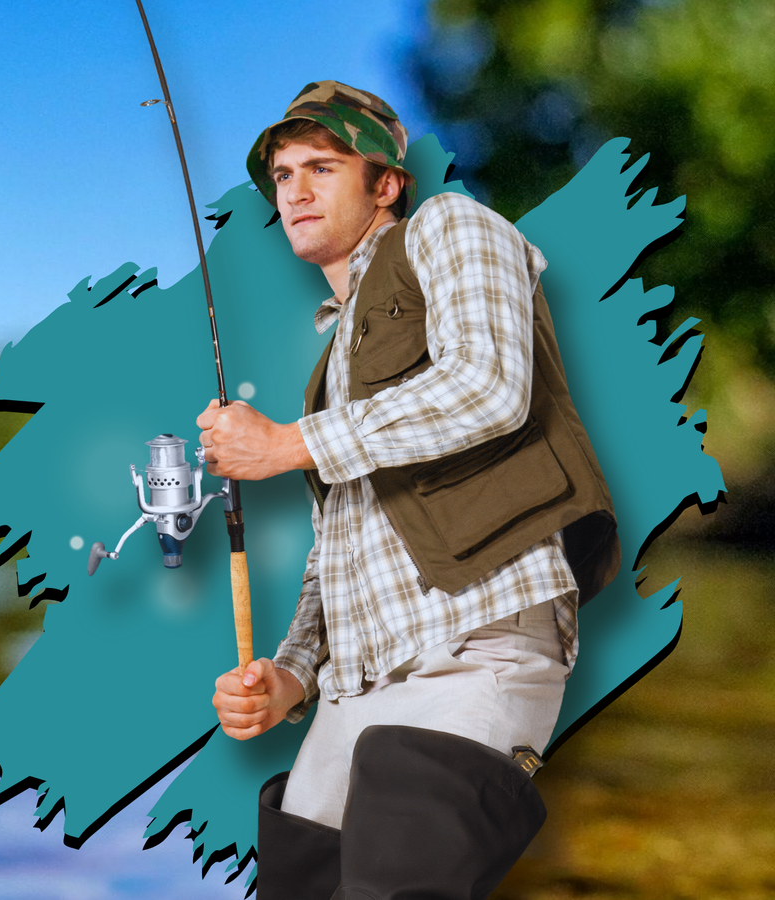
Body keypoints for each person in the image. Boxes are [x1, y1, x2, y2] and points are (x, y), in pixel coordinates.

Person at [192, 81, 620, 899]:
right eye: (282, 176)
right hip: (356, 689)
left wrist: (287, 442)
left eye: (323, 166)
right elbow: (341, 545)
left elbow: (491, 385)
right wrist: (292, 676)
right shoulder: (331, 362)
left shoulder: (453, 226)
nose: (296, 191)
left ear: (386, 182)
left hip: (475, 649)